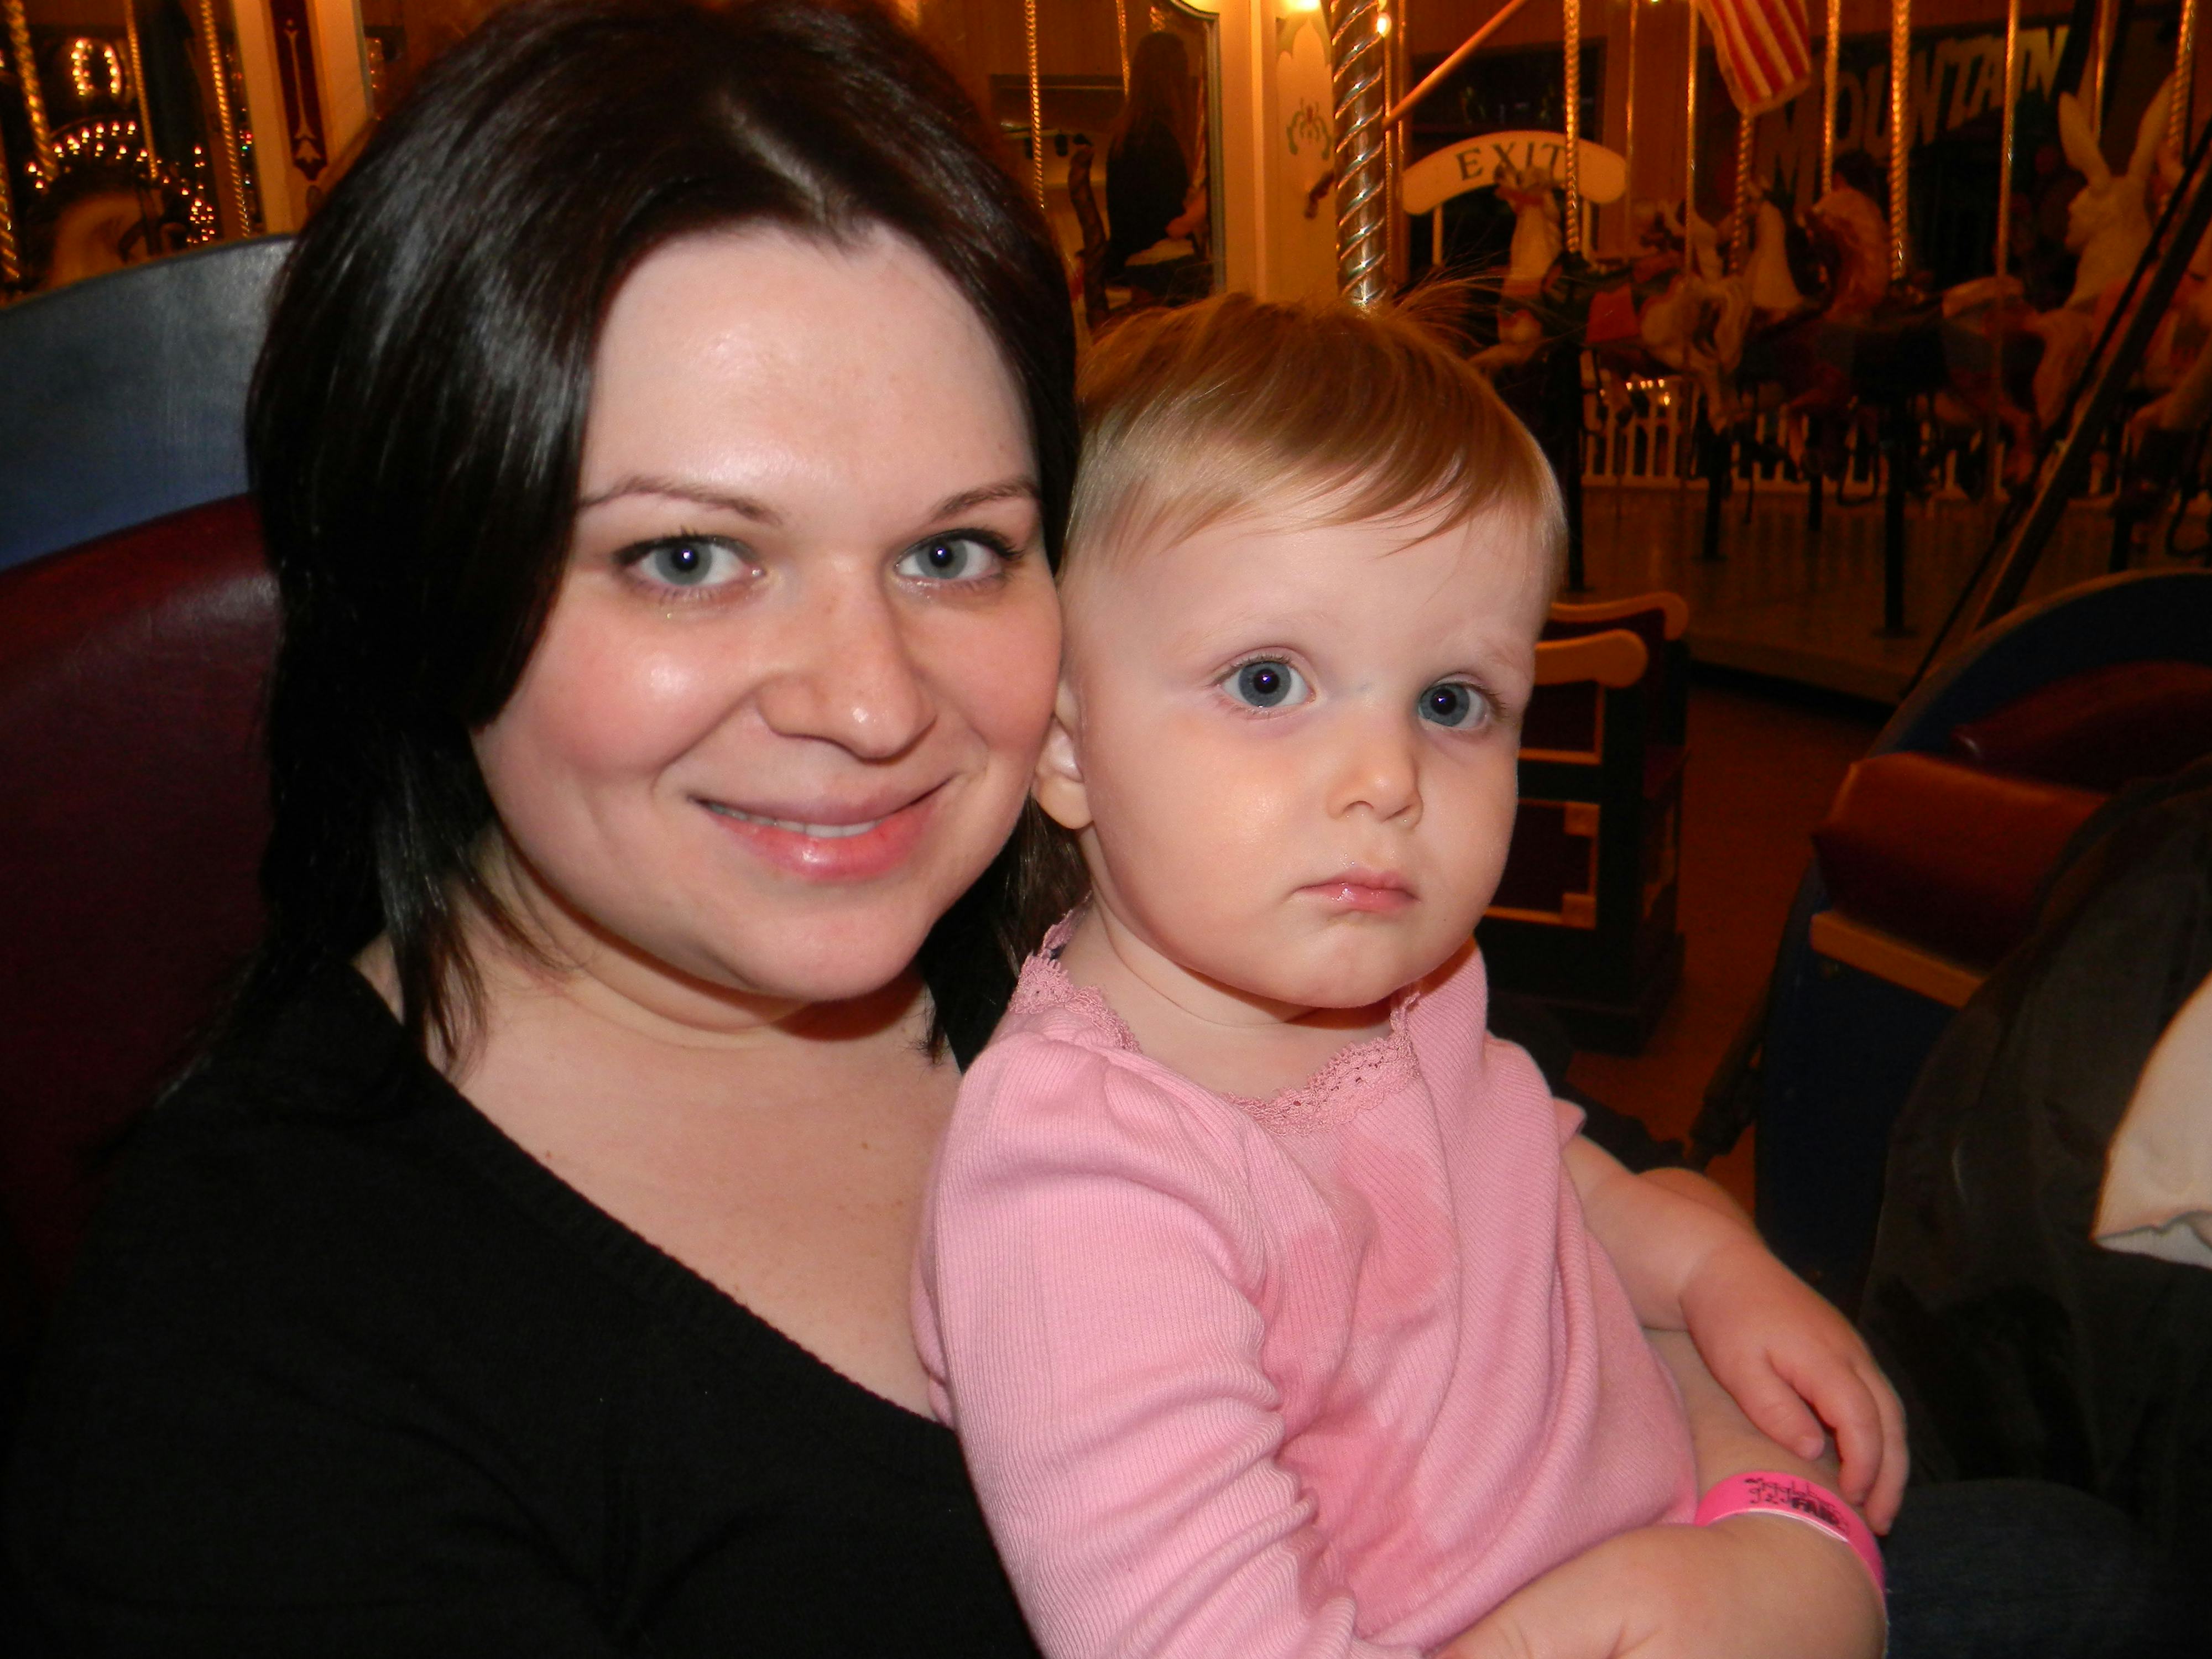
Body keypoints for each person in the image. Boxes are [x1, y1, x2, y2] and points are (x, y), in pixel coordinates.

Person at [0, 2, 2076, 1655]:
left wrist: (1753, 1497)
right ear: (430, 566)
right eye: (689, 557)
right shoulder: (256, 1364)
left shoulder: (1119, 901)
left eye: (956, 549)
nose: (872, 702)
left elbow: (1532, 1210)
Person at [916, 291, 1899, 1659]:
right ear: (1067, 746)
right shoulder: (1080, 1183)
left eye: (1450, 702)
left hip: (1684, 1530)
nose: (1386, 779)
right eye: (1268, 683)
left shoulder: (1415, 991)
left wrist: (1709, 1270)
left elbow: (1536, 1173)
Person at [1105, 29, 1204, 298]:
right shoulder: (1157, 137)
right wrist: (1208, 198)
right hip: (1162, 263)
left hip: (1137, 261)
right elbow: (1174, 224)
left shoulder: (1127, 135)